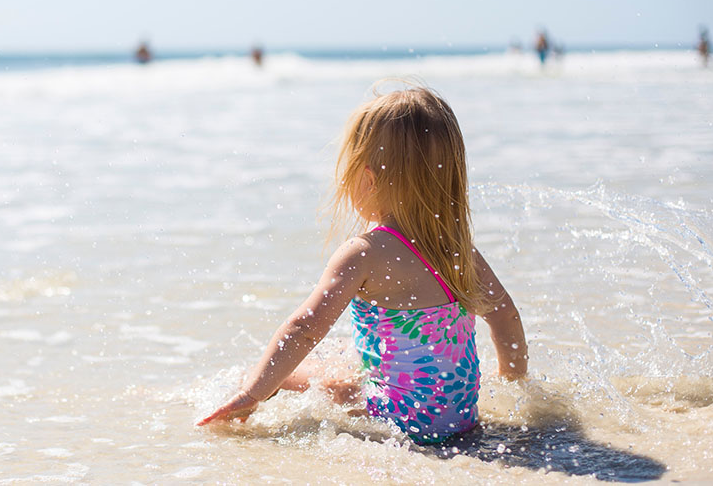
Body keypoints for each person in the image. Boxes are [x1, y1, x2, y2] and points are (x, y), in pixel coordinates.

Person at [196, 85, 529, 445]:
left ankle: (224, 399)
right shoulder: (461, 251)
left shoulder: (364, 252)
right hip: (459, 421)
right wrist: (514, 385)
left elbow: (303, 329)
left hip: (397, 422)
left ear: (367, 178)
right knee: (344, 352)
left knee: (284, 376)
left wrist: (253, 393)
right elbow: (505, 316)